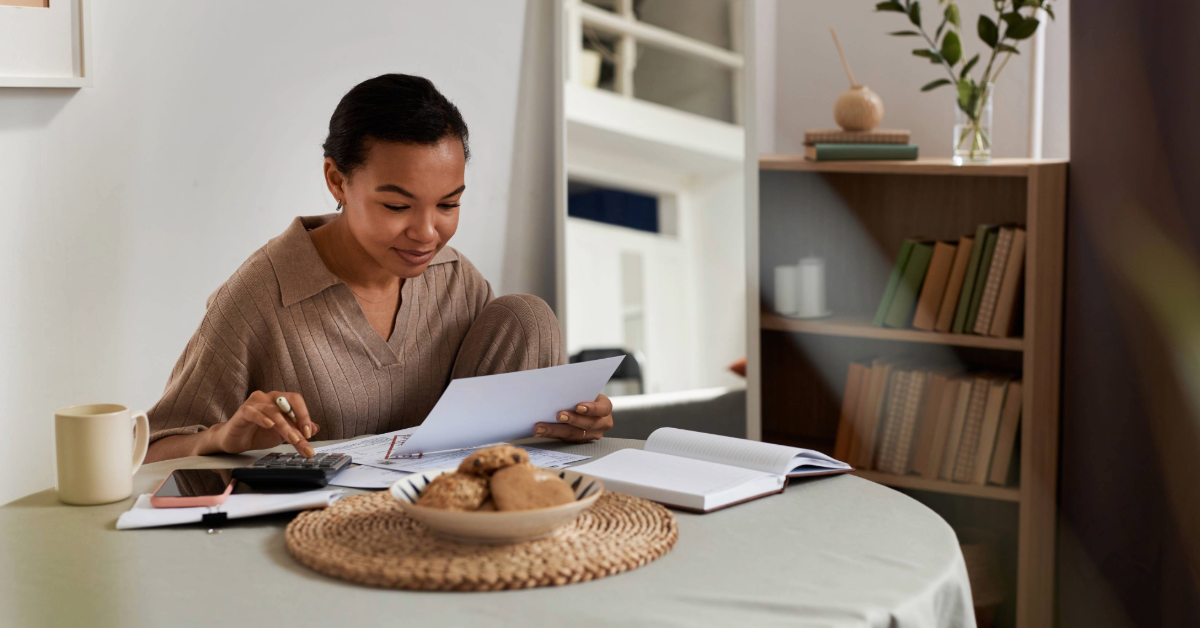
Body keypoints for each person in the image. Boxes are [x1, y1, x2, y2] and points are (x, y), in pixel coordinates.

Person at [144, 74, 612, 463]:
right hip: (318, 530)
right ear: (337, 181)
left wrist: (572, 420)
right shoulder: (260, 297)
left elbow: (508, 414)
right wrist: (221, 438)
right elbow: (151, 450)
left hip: (449, 518)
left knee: (527, 315)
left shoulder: (454, 279)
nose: (427, 233)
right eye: (396, 205)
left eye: (449, 204)